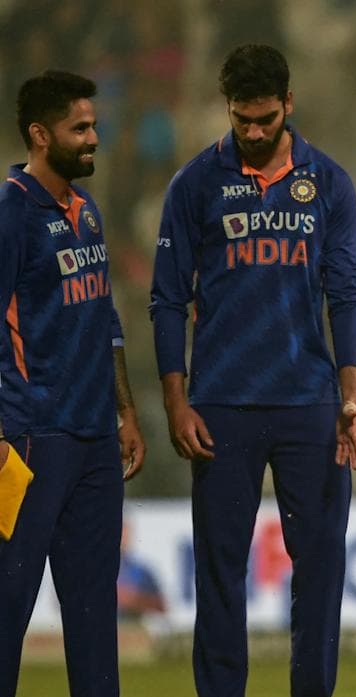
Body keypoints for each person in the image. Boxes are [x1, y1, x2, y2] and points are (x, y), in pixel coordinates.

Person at [149, 44, 356, 697]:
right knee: (220, 571)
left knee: (320, 568)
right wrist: (176, 403)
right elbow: (167, 298)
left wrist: (349, 396)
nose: (253, 131)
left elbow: (346, 294)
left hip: (309, 403)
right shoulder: (195, 183)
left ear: (288, 104)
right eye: (242, 119)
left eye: (265, 119)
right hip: (222, 405)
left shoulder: (328, 182)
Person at [0, 69, 146, 697]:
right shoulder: (11, 213)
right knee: (8, 605)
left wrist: (125, 411)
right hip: (31, 440)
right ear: (40, 134)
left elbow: (104, 317)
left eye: (93, 125)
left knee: (93, 615)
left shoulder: (87, 213)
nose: (93, 138)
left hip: (94, 442)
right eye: (79, 128)